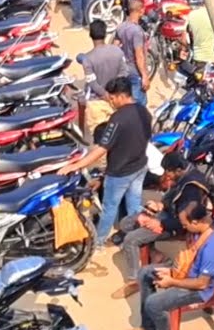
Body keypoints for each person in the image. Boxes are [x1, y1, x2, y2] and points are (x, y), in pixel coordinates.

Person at [59, 77, 152, 248]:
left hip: (119, 173)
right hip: (140, 166)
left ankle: (98, 242)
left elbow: (102, 149)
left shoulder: (118, 119)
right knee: (134, 205)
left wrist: (75, 165)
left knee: (109, 208)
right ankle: (134, 239)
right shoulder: (143, 111)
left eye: (112, 98)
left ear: (120, 96)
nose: (111, 102)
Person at [112, 151, 211, 299]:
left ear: (178, 170)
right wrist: (159, 205)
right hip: (167, 214)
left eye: (168, 171)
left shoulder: (192, 188)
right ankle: (155, 255)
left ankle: (134, 281)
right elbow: (172, 197)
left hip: (175, 224)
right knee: (126, 223)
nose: (166, 175)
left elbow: (185, 221)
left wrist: (159, 223)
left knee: (131, 239)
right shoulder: (185, 174)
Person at [134, 201, 214, 330]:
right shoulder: (208, 222)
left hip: (203, 289)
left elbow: (202, 284)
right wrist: (173, 271)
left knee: (153, 304)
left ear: (195, 222)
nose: (184, 228)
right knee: (145, 273)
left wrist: (172, 281)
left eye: (185, 225)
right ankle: (148, 327)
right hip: (188, 270)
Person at [114, 0, 151, 107]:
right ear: (141, 10)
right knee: (139, 104)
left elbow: (115, 47)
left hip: (123, 69)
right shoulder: (137, 31)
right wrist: (144, 76)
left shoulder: (121, 26)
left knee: (125, 100)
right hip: (135, 71)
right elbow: (139, 55)